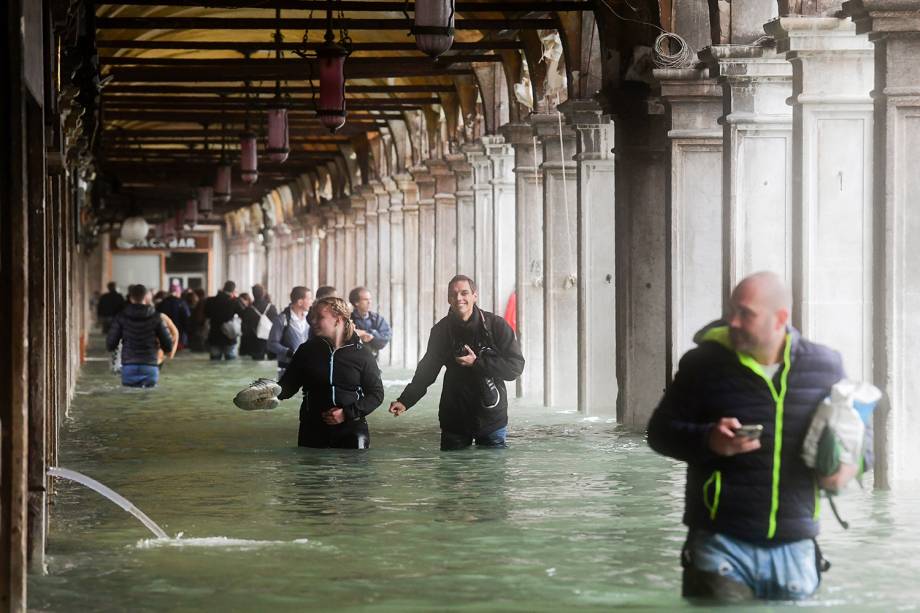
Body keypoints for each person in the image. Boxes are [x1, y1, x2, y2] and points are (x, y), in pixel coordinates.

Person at [647, 271, 847, 602]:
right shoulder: (702, 365)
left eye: (746, 313)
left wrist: (842, 471)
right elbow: (659, 433)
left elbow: (859, 446)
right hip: (719, 544)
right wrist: (710, 440)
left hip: (795, 549)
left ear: (780, 318)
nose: (733, 322)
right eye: (732, 311)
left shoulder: (824, 367)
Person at [389, 275, 525, 450]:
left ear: (474, 296)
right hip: (454, 416)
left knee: (492, 475)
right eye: (453, 294)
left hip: (491, 416)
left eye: (464, 293)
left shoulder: (496, 326)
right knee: (452, 474)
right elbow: (426, 371)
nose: (459, 298)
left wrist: (477, 363)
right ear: (448, 299)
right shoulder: (441, 331)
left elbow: (515, 368)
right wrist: (405, 401)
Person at [278, 296, 384, 449]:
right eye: (312, 316)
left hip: (352, 430)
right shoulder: (306, 350)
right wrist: (265, 394)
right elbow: (287, 387)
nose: (313, 321)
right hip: (312, 429)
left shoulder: (362, 354)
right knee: (312, 473)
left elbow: (376, 394)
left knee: (354, 473)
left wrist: (346, 414)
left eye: (319, 317)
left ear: (338, 319)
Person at [106, 284, 173, 388]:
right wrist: (160, 350)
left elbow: (110, 344)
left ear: (130, 297)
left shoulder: (121, 317)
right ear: (146, 296)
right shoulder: (156, 317)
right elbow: (168, 345)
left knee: (130, 400)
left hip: (129, 366)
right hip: (149, 366)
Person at [268, 286, 313, 378]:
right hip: (286, 368)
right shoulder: (282, 319)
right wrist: (289, 352)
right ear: (300, 302)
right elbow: (271, 344)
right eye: (309, 299)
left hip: (306, 366)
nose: (311, 301)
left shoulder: (309, 319)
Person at [204, 281, 245, 360]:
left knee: (214, 362)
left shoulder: (210, 301)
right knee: (230, 362)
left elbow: (206, 314)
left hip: (214, 335)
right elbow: (243, 314)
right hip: (229, 336)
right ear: (233, 290)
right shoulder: (234, 301)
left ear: (223, 288)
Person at [348, 287, 392, 359]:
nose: (369, 302)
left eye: (370, 299)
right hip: (352, 359)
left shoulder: (377, 319)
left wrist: (368, 334)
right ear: (356, 302)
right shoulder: (349, 318)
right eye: (365, 299)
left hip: (372, 359)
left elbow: (385, 338)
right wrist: (356, 336)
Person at [241, 284, 279, 360]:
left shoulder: (248, 309)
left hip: (254, 342)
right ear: (263, 293)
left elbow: (245, 328)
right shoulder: (271, 307)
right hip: (269, 341)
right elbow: (277, 325)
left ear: (253, 294)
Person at [156, 281, 191, 349]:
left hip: (165, 333)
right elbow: (187, 318)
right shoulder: (182, 303)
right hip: (180, 335)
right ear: (178, 292)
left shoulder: (163, 303)